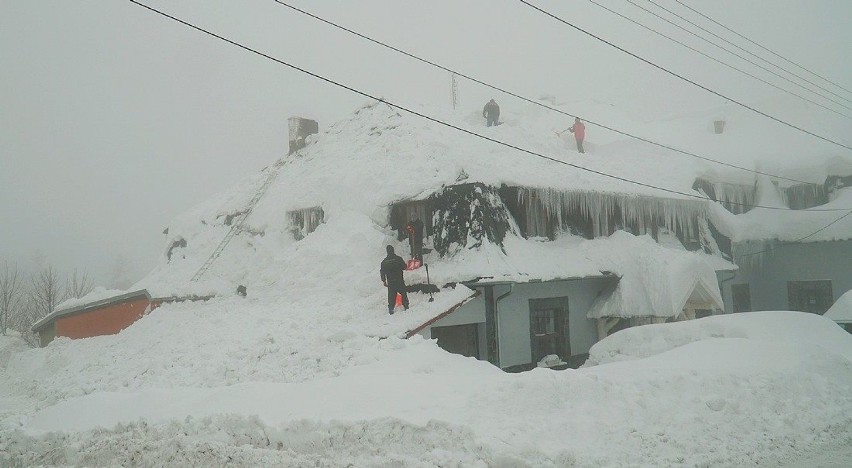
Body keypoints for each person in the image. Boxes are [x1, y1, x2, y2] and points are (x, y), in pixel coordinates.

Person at [380, 245, 409, 314]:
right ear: (393, 250)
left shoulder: (384, 262)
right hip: (399, 280)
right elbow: (404, 267)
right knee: (403, 294)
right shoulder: (398, 259)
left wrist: (384, 280)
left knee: (391, 296)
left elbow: (382, 272)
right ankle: (406, 306)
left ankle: (391, 309)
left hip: (391, 282)